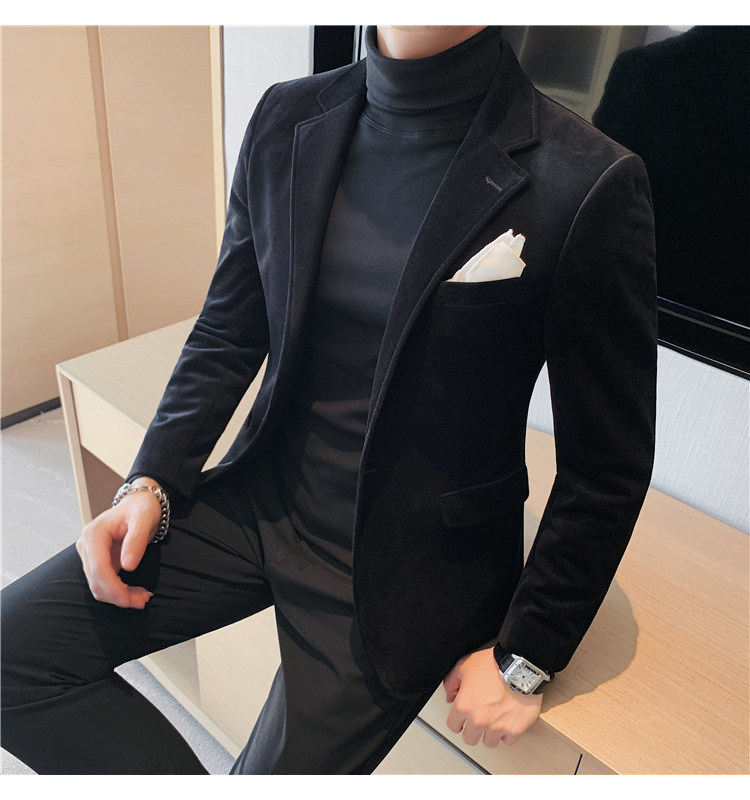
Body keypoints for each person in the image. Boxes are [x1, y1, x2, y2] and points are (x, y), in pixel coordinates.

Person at [1, 25, 657, 774]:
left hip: (411, 566)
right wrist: (149, 480)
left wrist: (527, 656)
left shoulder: (587, 177)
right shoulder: (285, 117)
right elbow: (228, 329)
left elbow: (607, 464)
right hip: (262, 498)